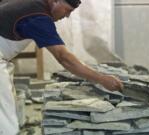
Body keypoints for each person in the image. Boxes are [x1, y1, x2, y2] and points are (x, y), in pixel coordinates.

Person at [0, 0, 123, 134]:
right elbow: (64, 57)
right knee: (5, 120)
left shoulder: (28, 4)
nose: (67, 16)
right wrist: (101, 79)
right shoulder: (38, 17)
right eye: (67, 10)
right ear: (55, 1)